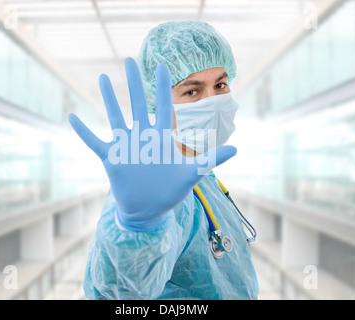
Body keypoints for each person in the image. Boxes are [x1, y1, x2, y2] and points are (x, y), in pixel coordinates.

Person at [68, 21, 259, 300]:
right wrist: (139, 228)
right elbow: (122, 294)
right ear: (158, 105)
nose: (212, 101)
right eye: (192, 91)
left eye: (220, 85)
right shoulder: (157, 192)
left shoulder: (205, 178)